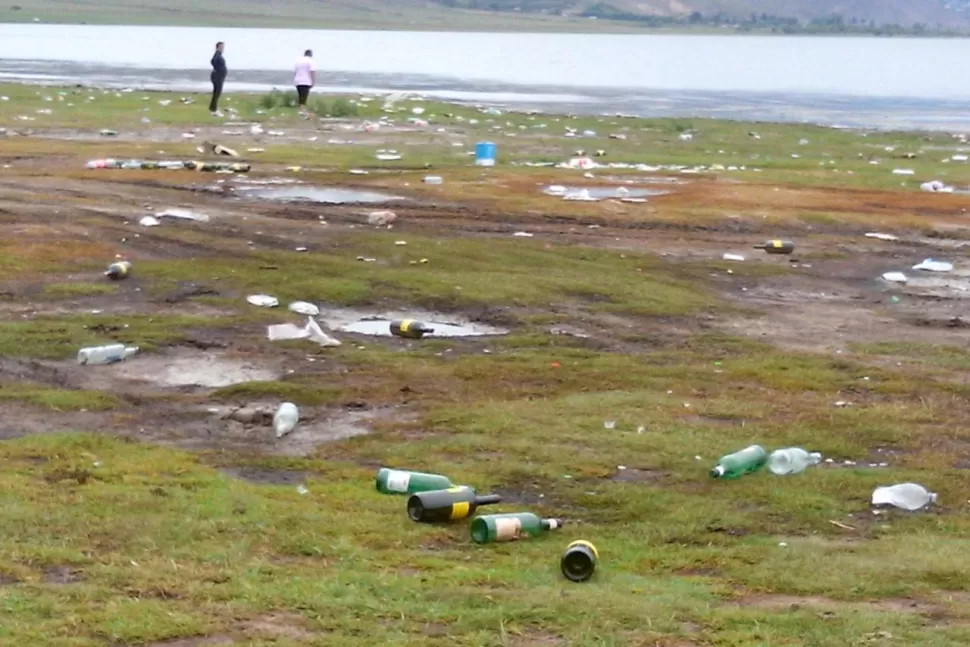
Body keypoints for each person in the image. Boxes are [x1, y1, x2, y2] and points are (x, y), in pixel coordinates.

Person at [209, 41, 227, 117]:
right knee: (217, 93)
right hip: (217, 76)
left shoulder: (219, 55)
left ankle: (213, 108)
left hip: (220, 76)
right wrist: (217, 69)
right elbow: (213, 61)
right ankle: (214, 109)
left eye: (223, 47)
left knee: (217, 93)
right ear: (218, 47)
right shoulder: (217, 55)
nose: (223, 48)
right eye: (221, 47)